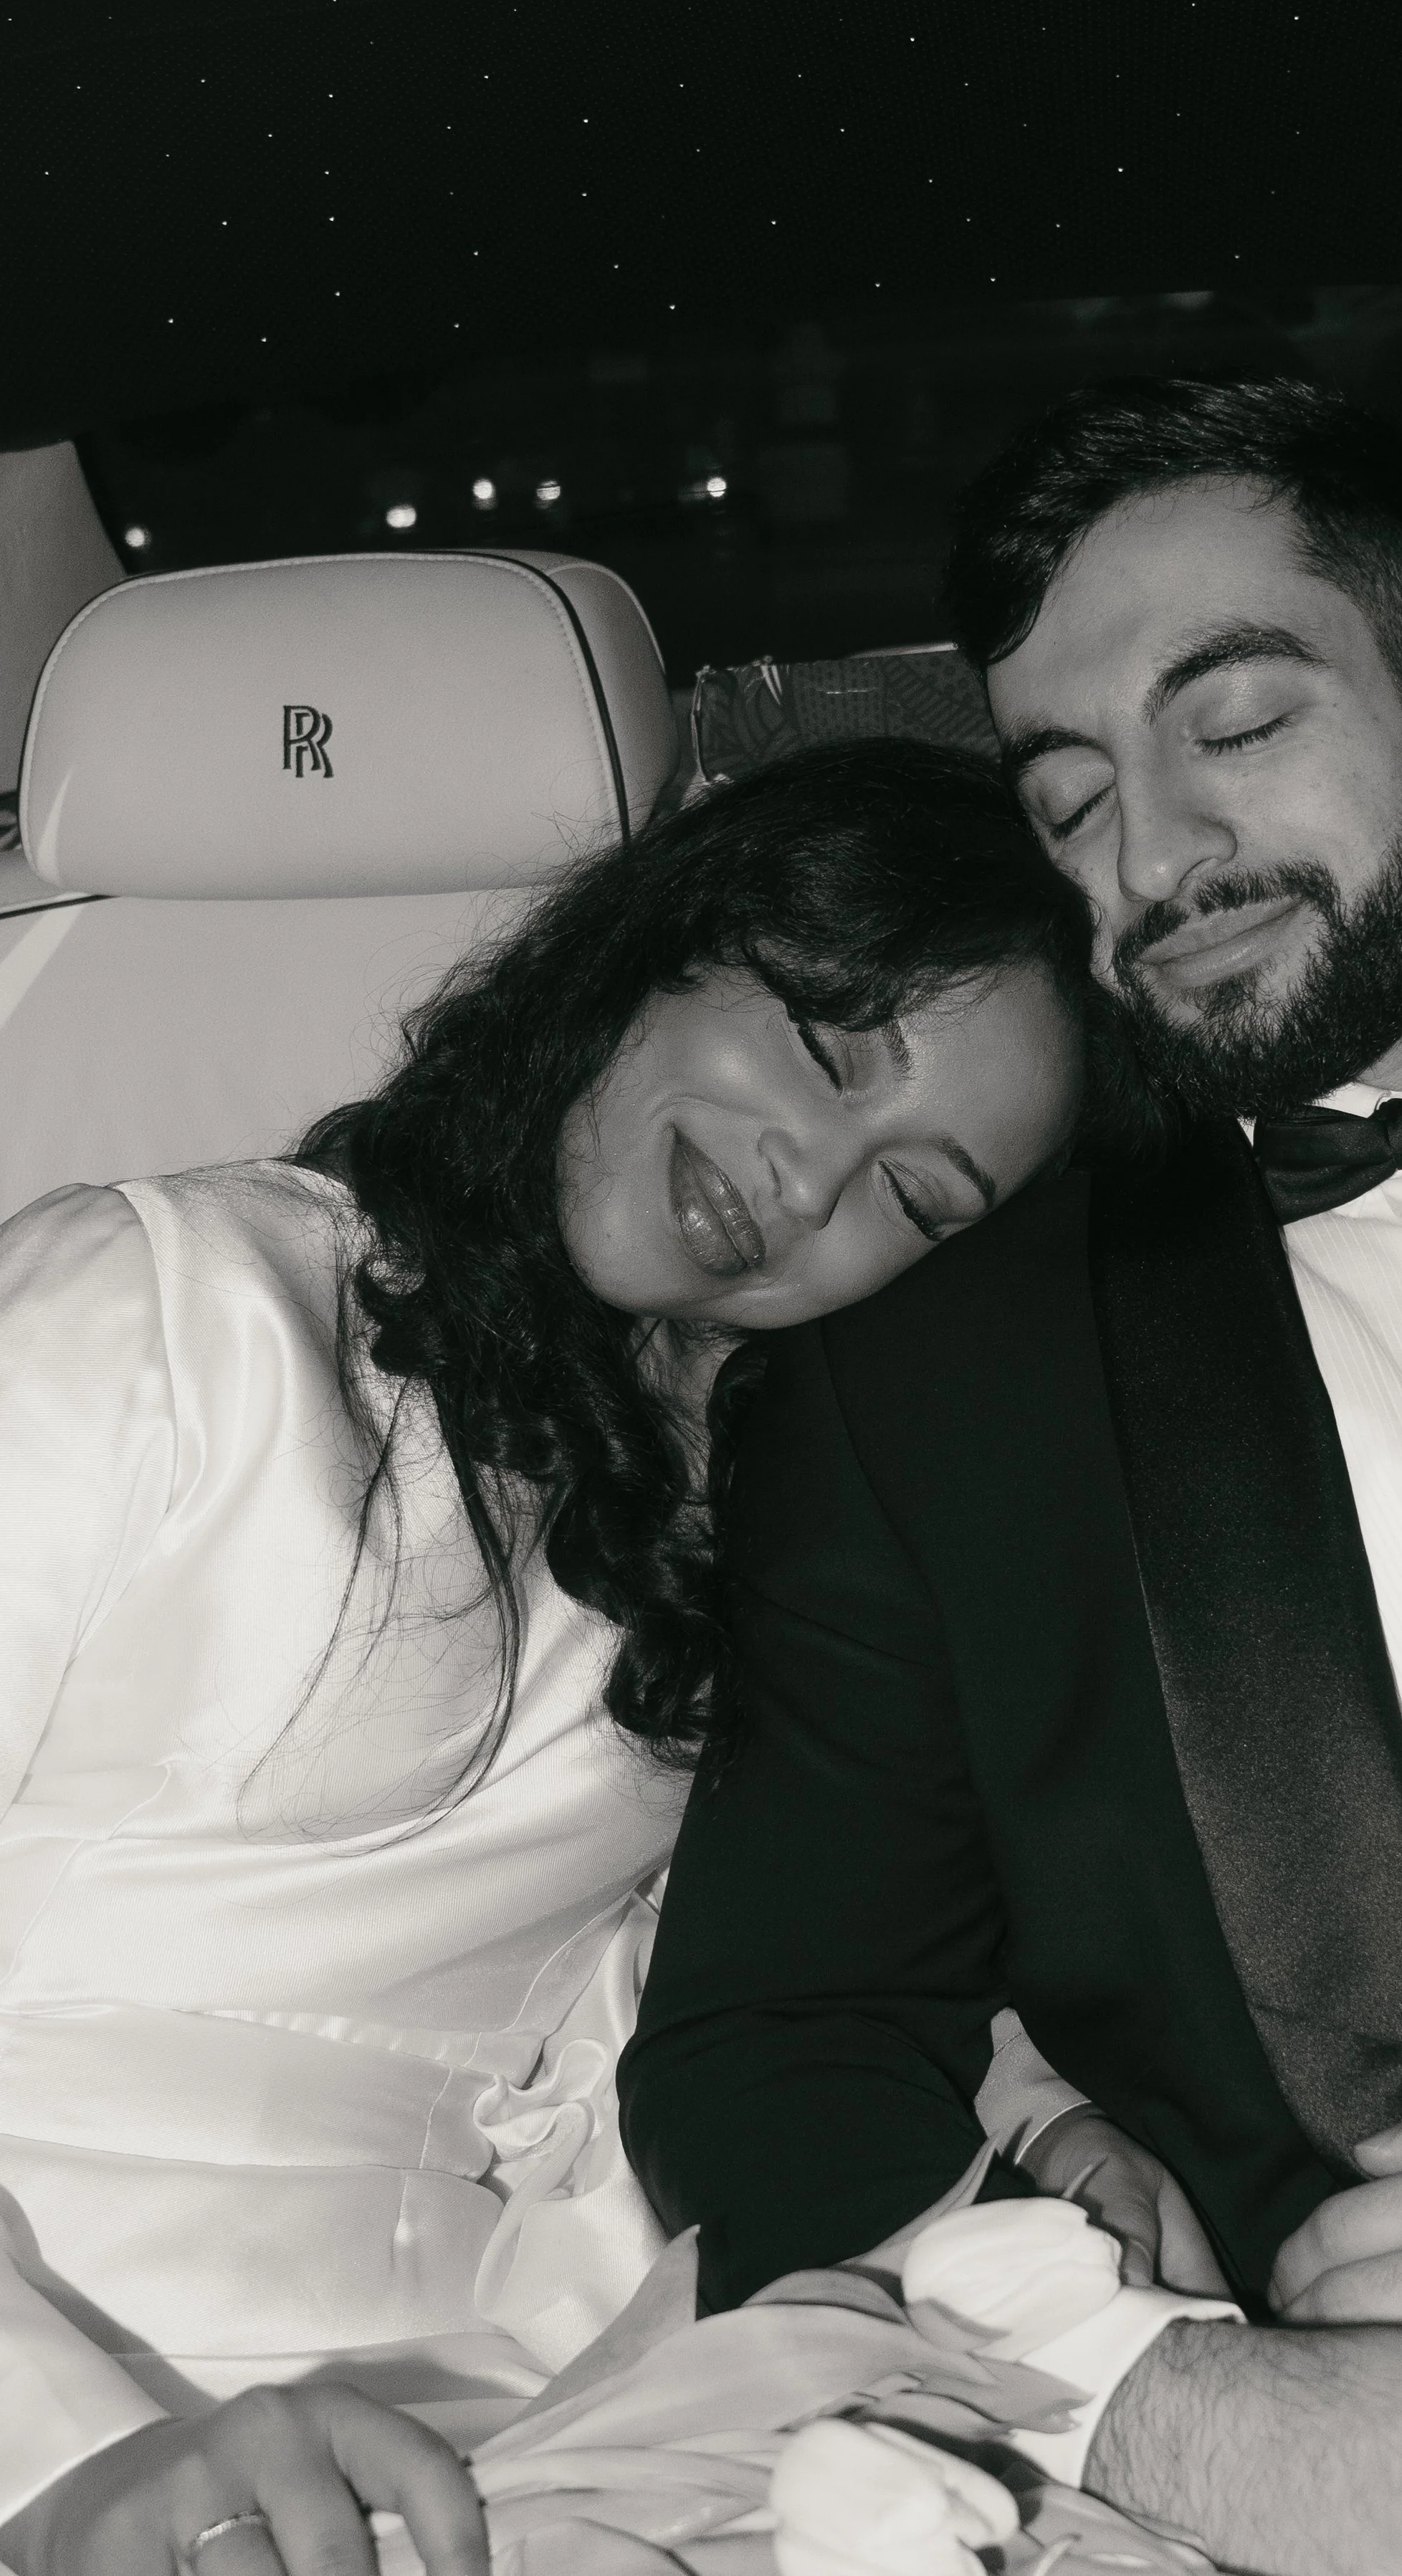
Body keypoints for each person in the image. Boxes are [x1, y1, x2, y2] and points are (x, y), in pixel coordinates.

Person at [619, 378, 1402, 2576]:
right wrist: (1157, 2402)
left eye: (1232, 723)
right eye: (1069, 799)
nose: (1151, 858)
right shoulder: (930, 1379)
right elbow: (767, 2043)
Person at [0, 740, 1181, 2576]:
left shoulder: (766, 1532)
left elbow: (738, 1963)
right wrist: (58, 2463)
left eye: (917, 1199)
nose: (807, 1183)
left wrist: (1026, 2115)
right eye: (828, 1048)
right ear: (669, 941)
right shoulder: (169, 1312)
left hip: (516, 2424)